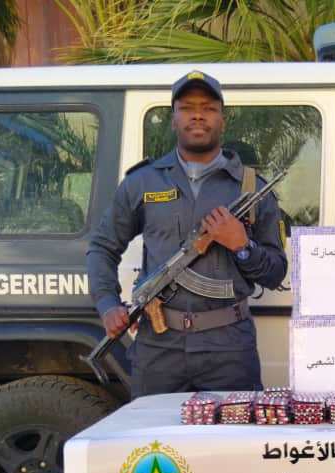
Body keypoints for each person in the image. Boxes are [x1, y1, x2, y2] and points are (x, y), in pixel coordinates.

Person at [86, 71, 287, 397]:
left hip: (229, 348)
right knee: (153, 430)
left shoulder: (251, 189)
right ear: (173, 119)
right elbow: (102, 248)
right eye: (187, 108)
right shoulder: (142, 182)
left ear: (222, 120)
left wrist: (242, 246)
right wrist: (108, 304)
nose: (198, 115)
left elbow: (276, 272)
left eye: (208, 108)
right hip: (158, 347)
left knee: (232, 432)